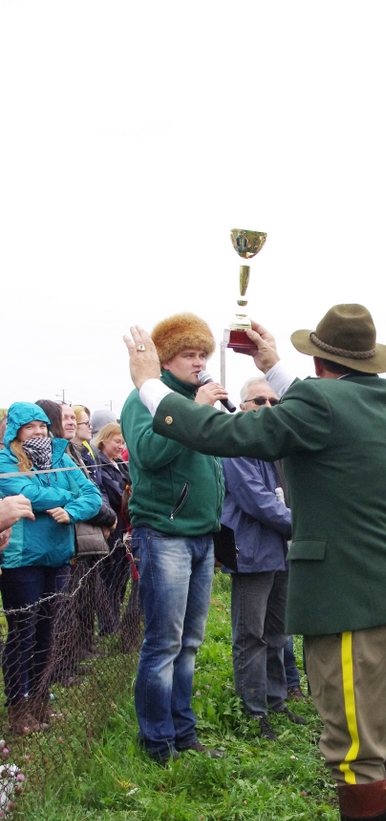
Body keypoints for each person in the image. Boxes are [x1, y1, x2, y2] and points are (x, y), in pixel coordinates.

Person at [124, 303, 386, 821]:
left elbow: (222, 435)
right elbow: (320, 405)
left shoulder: (320, 403)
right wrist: (273, 365)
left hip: (352, 602)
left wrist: (149, 383)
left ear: (320, 362)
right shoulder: (384, 399)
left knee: (354, 747)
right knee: (375, 726)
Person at [120, 312, 226, 764]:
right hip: (164, 534)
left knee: (190, 642)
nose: (199, 362)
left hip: (201, 535)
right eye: (188, 354)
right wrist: (195, 411)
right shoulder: (141, 400)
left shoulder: (195, 400)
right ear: (164, 359)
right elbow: (148, 454)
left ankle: (184, 733)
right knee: (164, 642)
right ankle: (157, 742)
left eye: (203, 354)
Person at [0, 403, 102, 732]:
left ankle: (40, 701)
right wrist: (66, 495)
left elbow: (92, 495)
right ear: (16, 430)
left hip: (57, 556)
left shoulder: (60, 456)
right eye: (30, 427)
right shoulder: (5, 460)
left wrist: (71, 511)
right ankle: (18, 707)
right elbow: (26, 494)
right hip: (22, 560)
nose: (39, 432)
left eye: (42, 426)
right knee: (23, 633)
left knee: (48, 633)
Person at [221, 376, 307, 740]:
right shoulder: (237, 445)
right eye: (260, 401)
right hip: (251, 551)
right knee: (251, 634)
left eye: (274, 401)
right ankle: (253, 711)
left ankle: (275, 699)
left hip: (281, 551)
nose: (268, 407)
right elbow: (258, 500)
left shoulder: (276, 447)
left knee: (277, 632)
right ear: (243, 407)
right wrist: (305, 525)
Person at [93, 422, 132, 631]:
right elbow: (118, 494)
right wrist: (129, 495)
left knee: (121, 575)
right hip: (113, 523)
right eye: (117, 441)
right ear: (104, 439)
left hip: (124, 523)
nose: (120, 446)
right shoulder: (99, 464)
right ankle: (108, 624)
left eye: (123, 442)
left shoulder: (119, 463)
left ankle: (114, 619)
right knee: (110, 574)